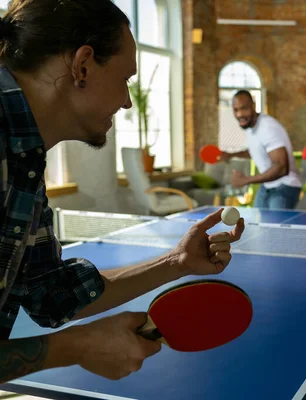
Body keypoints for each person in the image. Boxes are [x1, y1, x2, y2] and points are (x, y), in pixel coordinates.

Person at [0, 0, 244, 384]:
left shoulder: (25, 161)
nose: (127, 101)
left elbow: (51, 294)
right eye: (125, 78)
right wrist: (75, 347)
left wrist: (175, 262)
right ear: (82, 65)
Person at [219, 90, 302, 209]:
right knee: (257, 224)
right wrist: (230, 155)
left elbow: (282, 168)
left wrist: (246, 180)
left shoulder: (268, 127)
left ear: (253, 105)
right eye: (236, 110)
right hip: (268, 185)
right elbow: (256, 151)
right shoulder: (250, 127)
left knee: (275, 227)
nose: (239, 114)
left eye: (244, 108)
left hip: (285, 185)